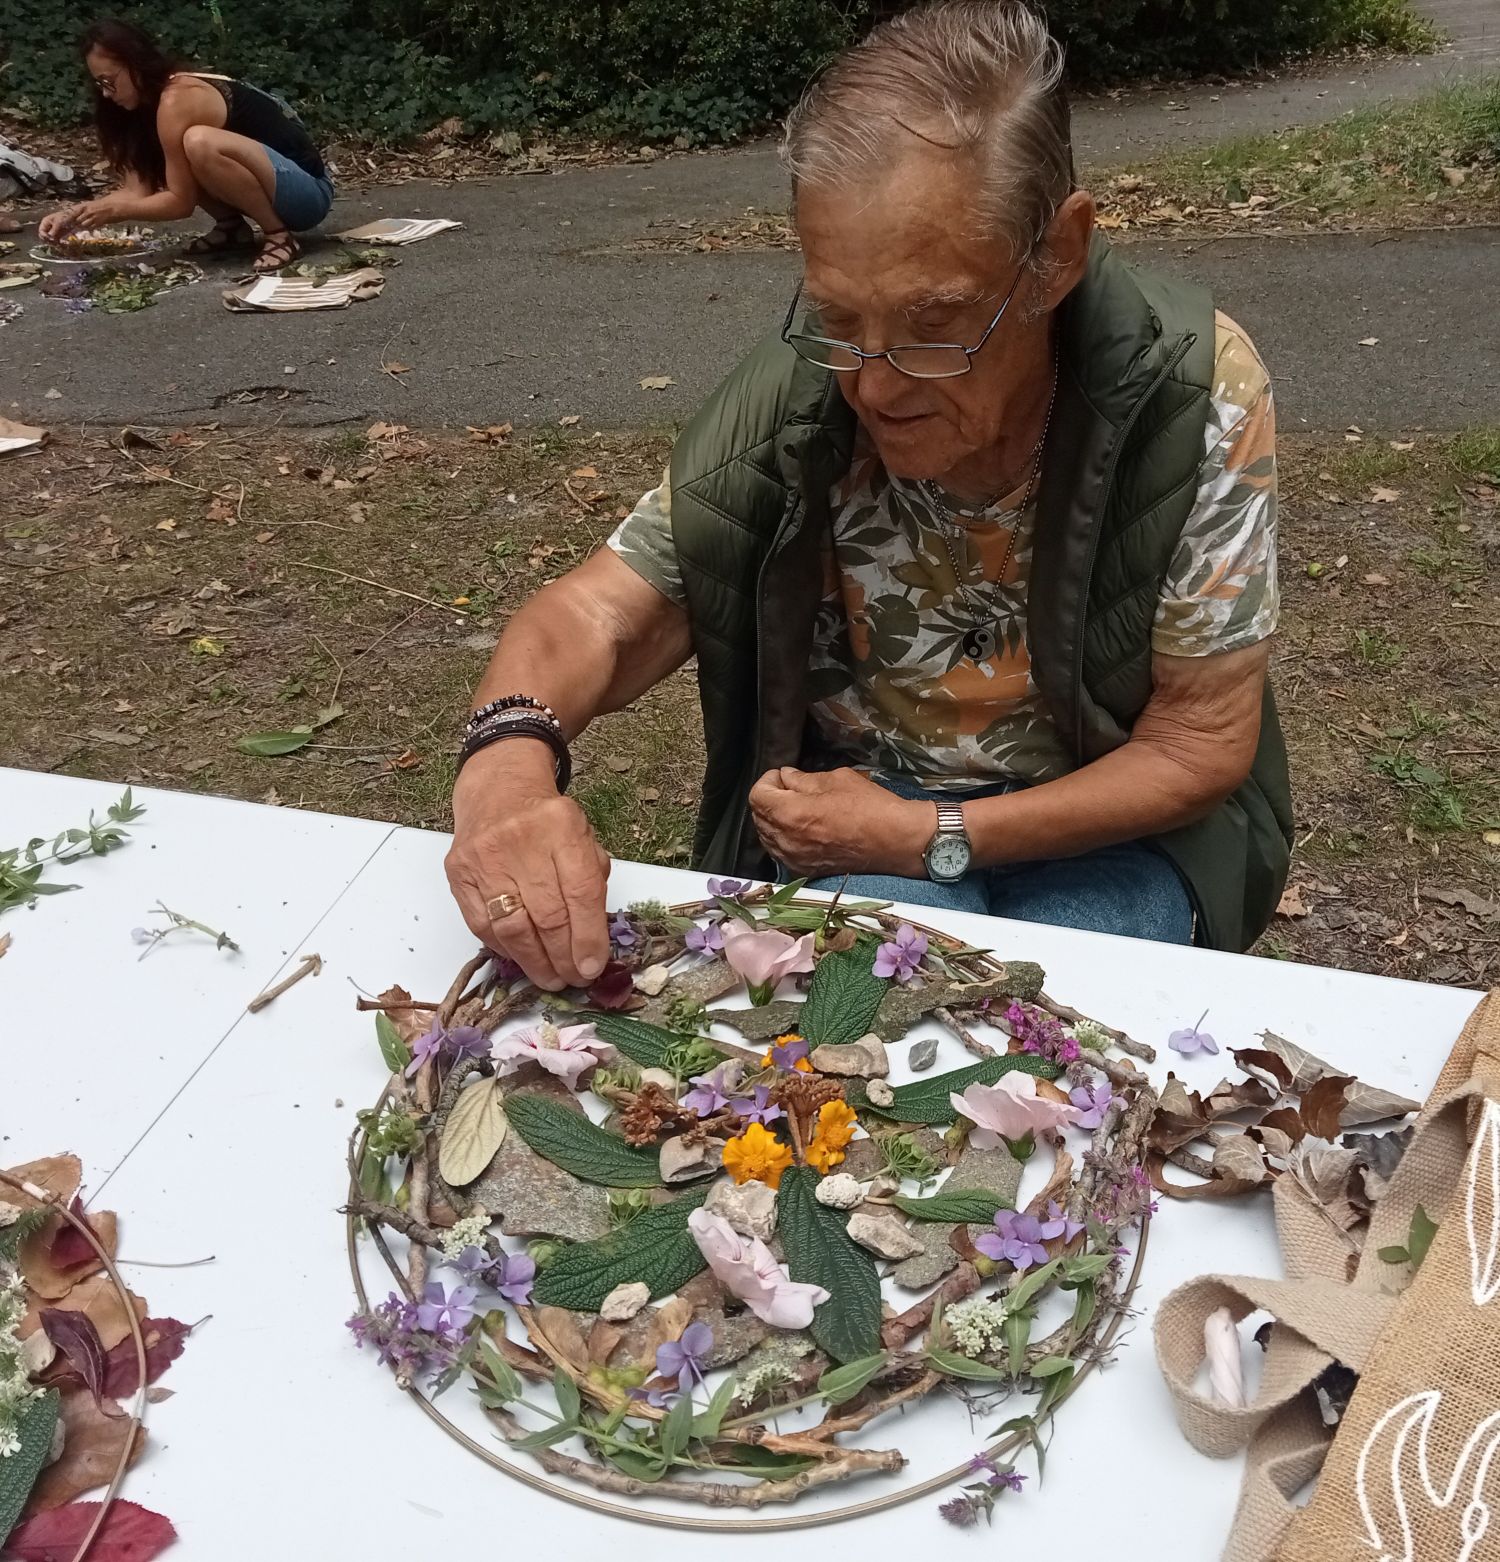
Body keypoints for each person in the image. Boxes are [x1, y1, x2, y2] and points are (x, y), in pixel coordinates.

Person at [444, 0, 1292, 991]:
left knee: (1059, 1010)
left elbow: (1200, 739)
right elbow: (600, 611)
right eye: (840, 316)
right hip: (864, 795)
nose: (875, 385)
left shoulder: (1190, 395)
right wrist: (504, 762)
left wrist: (932, 834)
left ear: (1057, 253)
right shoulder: (800, 404)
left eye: (936, 324)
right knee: (894, 1028)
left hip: (1120, 820)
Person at [37, 19, 332, 273]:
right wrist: (76, 215)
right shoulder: (137, 111)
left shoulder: (177, 98)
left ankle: (279, 236)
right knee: (186, 148)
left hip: (307, 195)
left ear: (135, 64)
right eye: (99, 84)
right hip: (272, 187)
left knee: (199, 142)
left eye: (109, 81)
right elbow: (136, 192)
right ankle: (231, 228)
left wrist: (116, 212)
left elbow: (181, 202)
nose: (105, 94)